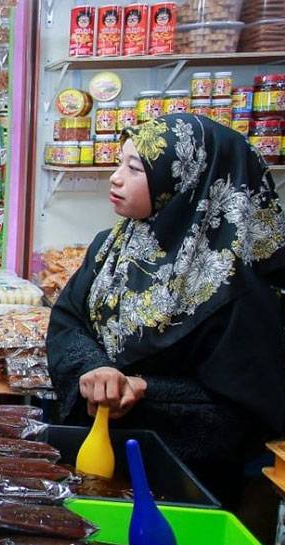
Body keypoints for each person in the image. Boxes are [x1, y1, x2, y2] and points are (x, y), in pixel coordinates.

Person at [47, 113, 285, 512]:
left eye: (134, 168)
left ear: (188, 181)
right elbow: (70, 319)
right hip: (95, 461)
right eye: (119, 162)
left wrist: (147, 390)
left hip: (181, 486)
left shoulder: (239, 286)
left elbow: (248, 413)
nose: (116, 178)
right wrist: (94, 368)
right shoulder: (113, 246)